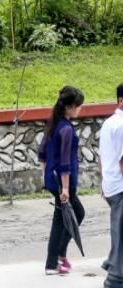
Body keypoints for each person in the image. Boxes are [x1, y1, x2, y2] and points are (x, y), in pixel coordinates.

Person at [38, 86, 86, 275]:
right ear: (70, 107)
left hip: (52, 178)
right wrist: (65, 188)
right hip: (63, 182)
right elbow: (65, 160)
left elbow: (42, 151)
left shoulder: (53, 122)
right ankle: (56, 258)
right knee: (74, 215)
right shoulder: (65, 129)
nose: (80, 109)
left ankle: (56, 259)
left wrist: (45, 174)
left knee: (61, 218)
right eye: (79, 106)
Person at [99, 84, 123, 288]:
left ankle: (111, 263)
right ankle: (115, 278)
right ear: (121, 101)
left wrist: (102, 181)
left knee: (119, 228)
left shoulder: (108, 123)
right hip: (121, 186)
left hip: (111, 185)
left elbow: (101, 156)